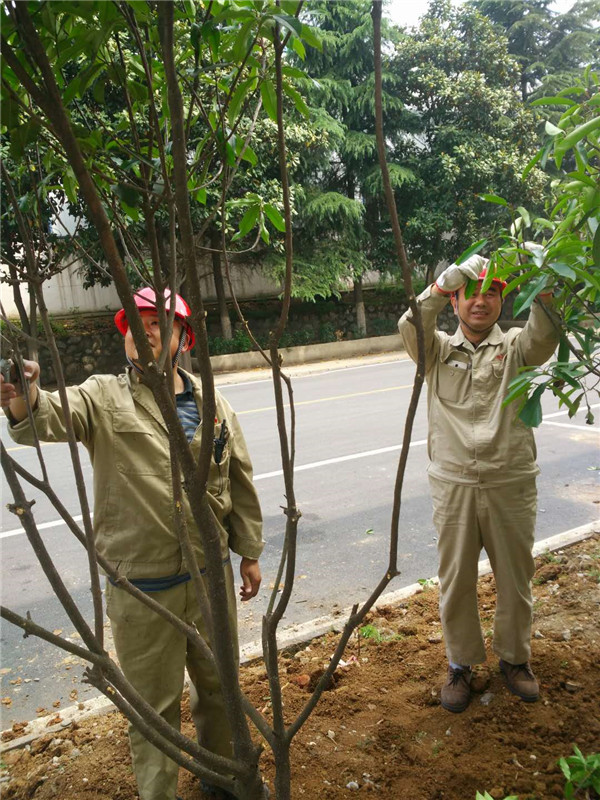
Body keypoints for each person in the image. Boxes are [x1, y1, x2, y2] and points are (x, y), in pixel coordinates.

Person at [1, 288, 264, 800]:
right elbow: (47, 418)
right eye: (134, 323)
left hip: (208, 579)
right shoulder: (102, 396)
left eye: (157, 323)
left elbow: (239, 480)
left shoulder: (214, 404)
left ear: (181, 338)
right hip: (141, 587)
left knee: (220, 689)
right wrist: (23, 397)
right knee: (154, 709)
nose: (143, 331)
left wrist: (248, 551)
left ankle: (227, 780)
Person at [398, 254, 559, 713]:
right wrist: (440, 284)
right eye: (472, 293)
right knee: (456, 579)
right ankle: (461, 664)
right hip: (454, 485)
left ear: (502, 300)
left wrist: (544, 282)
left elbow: (545, 335)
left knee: (515, 576)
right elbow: (410, 327)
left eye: (491, 292)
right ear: (456, 303)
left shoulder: (515, 347)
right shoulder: (438, 351)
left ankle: (515, 659)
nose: (481, 301)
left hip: (510, 480)